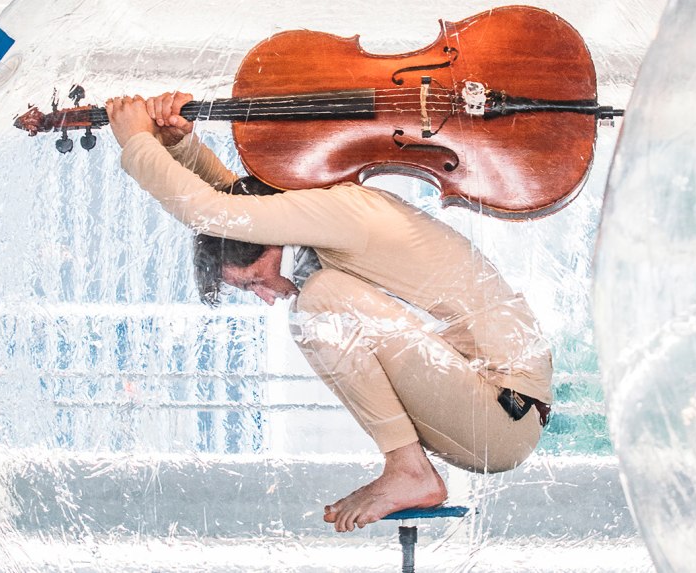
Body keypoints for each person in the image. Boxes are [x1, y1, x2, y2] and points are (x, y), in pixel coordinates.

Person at [103, 93, 554, 533]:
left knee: (319, 300)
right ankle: (409, 468)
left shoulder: (344, 212)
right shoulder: (318, 224)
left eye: (254, 281)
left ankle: (409, 471)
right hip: (484, 410)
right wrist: (180, 146)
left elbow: (221, 213)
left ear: (267, 243)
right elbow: (239, 205)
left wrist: (138, 142)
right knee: (317, 296)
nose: (265, 296)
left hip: (500, 414)